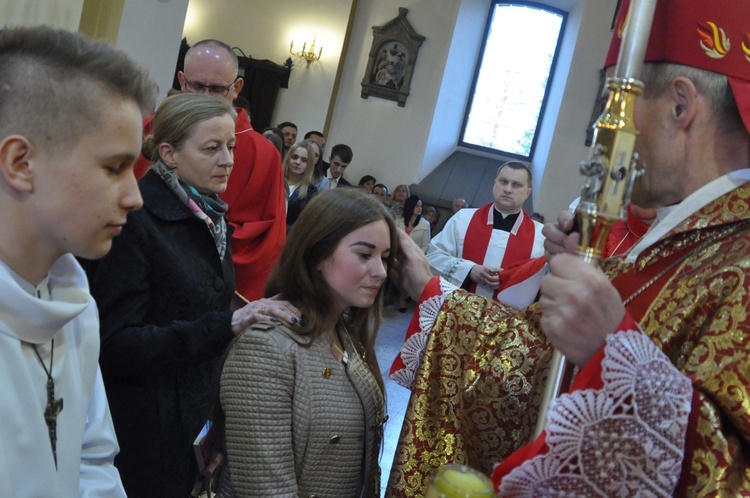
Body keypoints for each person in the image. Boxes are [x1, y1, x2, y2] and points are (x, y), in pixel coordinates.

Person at [389, 0, 750, 495]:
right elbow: (543, 374)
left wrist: (613, 350)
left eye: (611, 106)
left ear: (680, 106)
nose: (605, 132)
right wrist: (438, 297)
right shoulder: (681, 241)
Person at [85, 93, 301, 498]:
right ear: (168, 153)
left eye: (231, 147)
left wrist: (212, 425)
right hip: (139, 430)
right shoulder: (136, 220)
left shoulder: (209, 216)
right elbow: (114, 345)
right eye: (212, 148)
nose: (229, 160)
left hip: (188, 421)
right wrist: (226, 323)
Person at [0, 25, 157, 496]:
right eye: (114, 167)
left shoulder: (77, 306)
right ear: (21, 163)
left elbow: (91, 460)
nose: (135, 197)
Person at [215, 188, 396, 497]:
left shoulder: (341, 329)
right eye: (365, 254)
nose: (380, 271)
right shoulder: (265, 350)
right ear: (317, 256)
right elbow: (265, 490)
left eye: (385, 257)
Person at [135, 39, 286, 302]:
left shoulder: (263, 155)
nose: (204, 98)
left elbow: (263, 244)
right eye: (196, 86)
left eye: (216, 89)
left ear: (236, 88)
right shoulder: (145, 130)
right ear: (182, 81)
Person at [427, 161, 545, 304]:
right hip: (456, 310)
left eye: (516, 185)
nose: (508, 189)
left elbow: (542, 283)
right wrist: (469, 270)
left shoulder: (540, 235)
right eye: (503, 181)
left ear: (527, 193)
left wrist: (510, 279)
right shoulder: (463, 219)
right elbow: (433, 257)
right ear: (495, 184)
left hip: (507, 321)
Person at [284, 140, 319, 230]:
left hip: (288, 238)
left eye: (304, 160)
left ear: (309, 164)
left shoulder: (311, 192)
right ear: (288, 158)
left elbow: (305, 224)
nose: (297, 162)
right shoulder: (274, 180)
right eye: (294, 157)